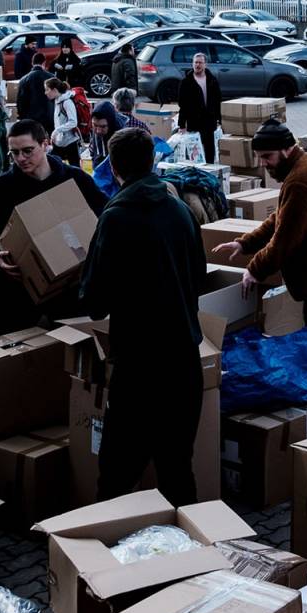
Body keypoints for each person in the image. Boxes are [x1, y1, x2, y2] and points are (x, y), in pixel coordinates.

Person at [81, 127, 207, 503]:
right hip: (184, 361)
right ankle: (190, 557)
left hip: (139, 365)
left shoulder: (116, 216)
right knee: (177, 470)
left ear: (115, 169)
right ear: (152, 162)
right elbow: (198, 276)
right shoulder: (181, 211)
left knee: (117, 474)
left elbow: (94, 300)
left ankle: (107, 556)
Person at [210, 120, 307, 322]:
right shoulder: (301, 168)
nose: (263, 164)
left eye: (267, 157)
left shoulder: (301, 180)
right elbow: (281, 217)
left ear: (286, 150)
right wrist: (245, 243)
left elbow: (285, 240)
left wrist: (255, 269)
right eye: (259, 158)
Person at [0, 120, 108, 331]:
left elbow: (105, 215)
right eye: (14, 153)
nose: (21, 158)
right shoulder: (2, 188)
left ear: (45, 144)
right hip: (24, 283)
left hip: (72, 284)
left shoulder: (75, 178)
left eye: (28, 151)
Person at [175, 52, 222, 164]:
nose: (197, 65)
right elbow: (183, 105)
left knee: (210, 149)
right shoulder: (186, 82)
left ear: (205, 64)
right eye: (195, 62)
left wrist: (219, 119)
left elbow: (217, 101)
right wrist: (181, 125)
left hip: (209, 121)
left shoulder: (212, 80)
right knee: (195, 152)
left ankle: (210, 169)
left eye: (200, 62)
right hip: (194, 122)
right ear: (192, 64)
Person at [46, 77, 83, 165]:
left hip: (70, 142)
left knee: (74, 168)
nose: (45, 92)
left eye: (47, 90)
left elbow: (73, 122)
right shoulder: (57, 101)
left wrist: (57, 131)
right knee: (54, 166)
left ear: (54, 90)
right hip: (60, 141)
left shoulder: (67, 102)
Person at [16, 53, 53, 128]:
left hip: (30, 118)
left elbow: (20, 101)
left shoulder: (23, 79)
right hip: (48, 117)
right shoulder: (51, 77)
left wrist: (22, 117)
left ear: (32, 63)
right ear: (44, 63)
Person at [87, 100, 127, 166]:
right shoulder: (98, 129)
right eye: (95, 125)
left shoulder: (122, 134)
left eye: (103, 126)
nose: (98, 131)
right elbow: (93, 149)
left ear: (111, 123)